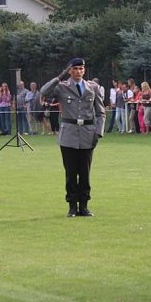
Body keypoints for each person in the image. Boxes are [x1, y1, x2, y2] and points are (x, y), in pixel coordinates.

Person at [40, 58, 105, 218]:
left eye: (81, 68)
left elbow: (100, 112)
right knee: (70, 173)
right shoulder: (62, 87)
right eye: (75, 68)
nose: (78, 71)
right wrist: (61, 76)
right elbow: (44, 92)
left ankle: (84, 205)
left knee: (85, 172)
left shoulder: (93, 88)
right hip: (68, 134)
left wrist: (98, 132)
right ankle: (72, 205)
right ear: (70, 70)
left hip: (87, 133)